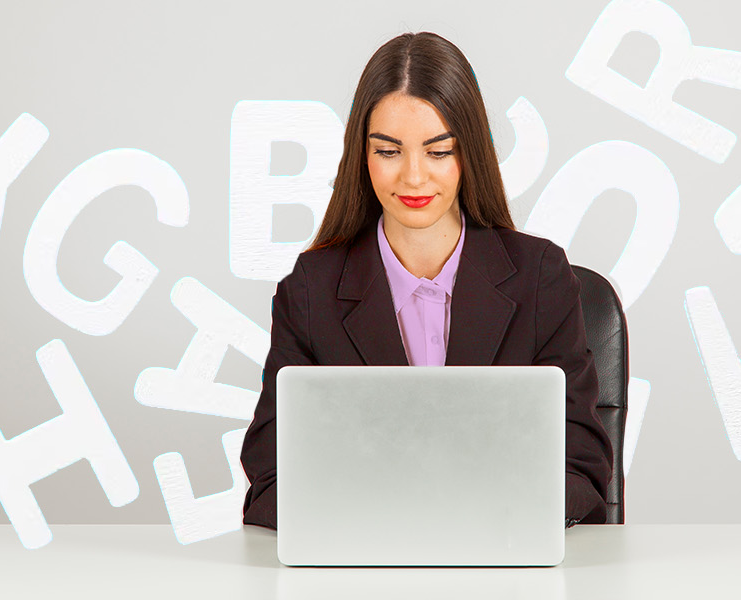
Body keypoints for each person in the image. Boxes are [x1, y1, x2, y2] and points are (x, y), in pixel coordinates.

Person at [240, 32, 614, 530]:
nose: (413, 178)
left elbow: (583, 470)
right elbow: (271, 481)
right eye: (389, 151)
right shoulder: (310, 292)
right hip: (362, 561)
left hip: (502, 557)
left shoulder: (541, 279)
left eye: (438, 152)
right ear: (362, 155)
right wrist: (391, 523)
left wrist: (476, 520)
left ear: (471, 155)